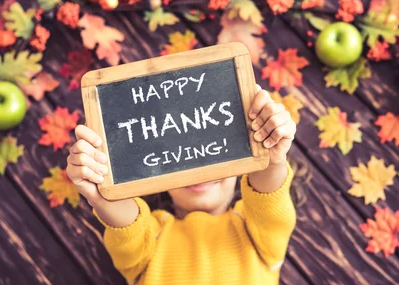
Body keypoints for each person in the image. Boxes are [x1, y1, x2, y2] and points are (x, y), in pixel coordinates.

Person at [66, 85, 297, 285]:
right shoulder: (152, 237)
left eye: (214, 152)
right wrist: (103, 187)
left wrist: (270, 158)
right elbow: (126, 228)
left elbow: (269, 205)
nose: (201, 174)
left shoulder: (255, 231)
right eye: (182, 158)